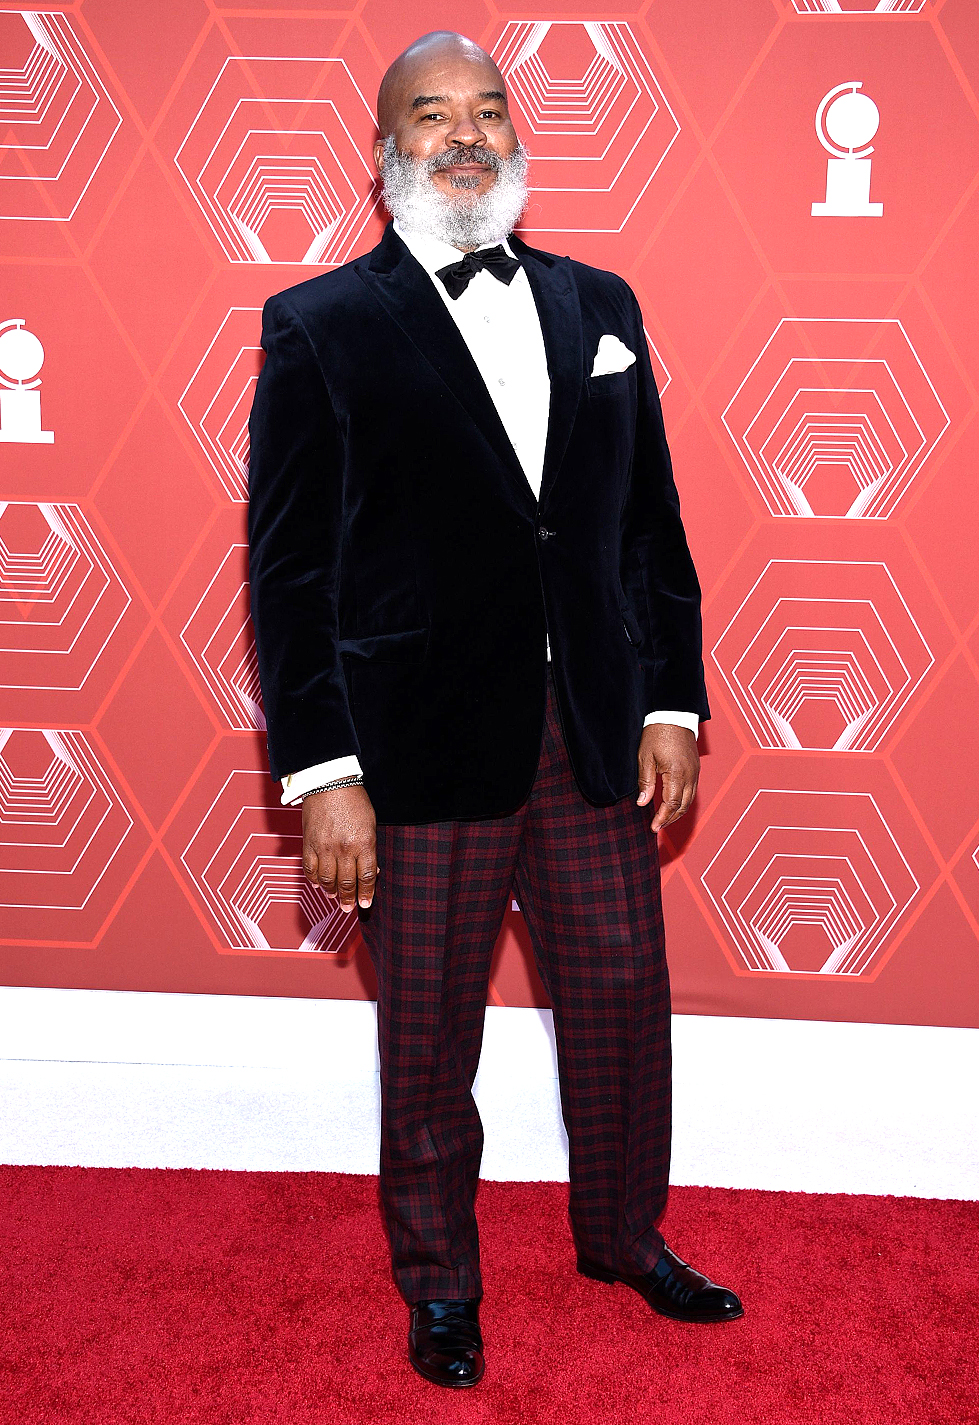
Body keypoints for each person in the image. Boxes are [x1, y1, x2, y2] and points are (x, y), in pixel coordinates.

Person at [247, 29, 742, 1390]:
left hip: (588, 727)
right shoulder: (320, 327)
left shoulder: (602, 304)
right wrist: (324, 769)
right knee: (428, 1033)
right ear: (383, 152)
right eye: (429, 114)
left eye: (486, 109)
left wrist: (671, 702)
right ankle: (441, 1286)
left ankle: (626, 1237)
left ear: (517, 133)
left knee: (625, 999)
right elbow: (289, 575)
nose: (462, 133)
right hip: (415, 745)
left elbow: (651, 526)